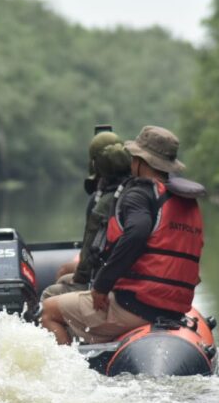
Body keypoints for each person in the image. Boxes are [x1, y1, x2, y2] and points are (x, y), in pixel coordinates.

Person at [41, 126, 204, 345]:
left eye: (134, 157)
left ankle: (68, 374)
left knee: (49, 310)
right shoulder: (185, 200)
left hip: (136, 306)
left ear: (141, 162)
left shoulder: (138, 194)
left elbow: (136, 234)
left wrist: (102, 285)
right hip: (174, 308)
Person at [40, 142, 132, 300]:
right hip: (128, 277)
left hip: (106, 281)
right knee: (64, 279)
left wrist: (81, 278)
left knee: (49, 294)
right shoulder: (137, 194)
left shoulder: (104, 204)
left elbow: (90, 248)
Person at [53, 130, 125, 281]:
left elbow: (87, 259)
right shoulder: (136, 189)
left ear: (95, 163)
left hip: (107, 272)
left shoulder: (101, 201)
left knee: (63, 274)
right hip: (123, 268)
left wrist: (81, 277)